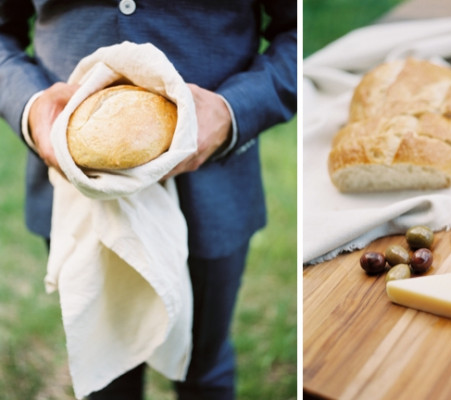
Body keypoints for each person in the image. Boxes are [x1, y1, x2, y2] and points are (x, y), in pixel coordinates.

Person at [0, 1, 297, 399]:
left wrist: (232, 112)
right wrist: (31, 107)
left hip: (211, 193)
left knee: (202, 368)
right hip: (75, 196)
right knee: (106, 375)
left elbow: (295, 32)